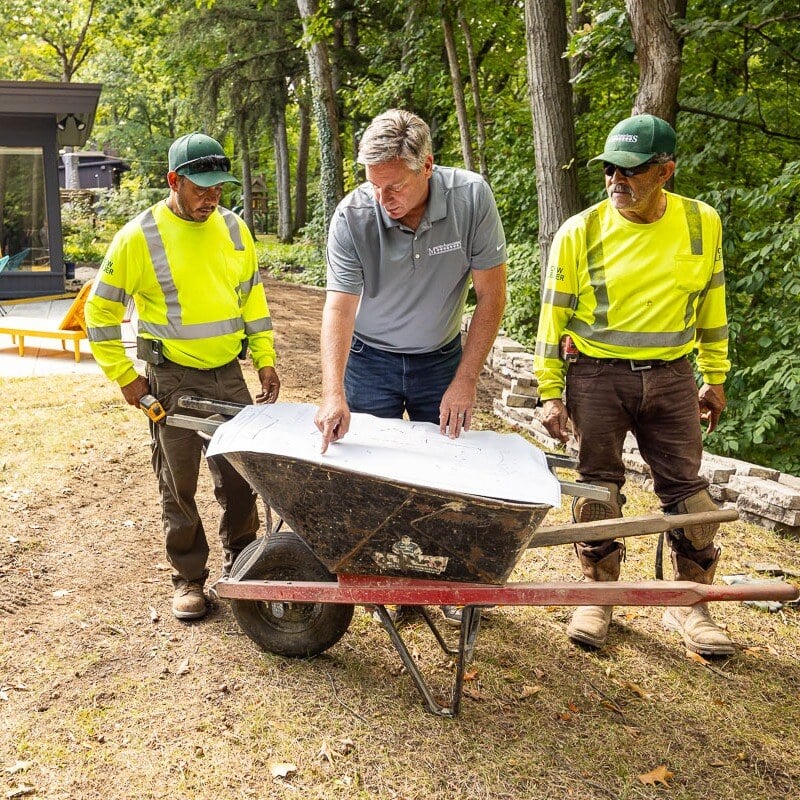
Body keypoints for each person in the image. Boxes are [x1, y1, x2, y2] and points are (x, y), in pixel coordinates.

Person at [534, 113, 733, 656]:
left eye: (630, 171)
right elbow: (552, 318)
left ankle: (692, 602)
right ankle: (598, 595)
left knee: (688, 494)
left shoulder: (702, 222)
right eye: (608, 171)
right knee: (598, 487)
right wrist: (550, 390)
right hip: (597, 376)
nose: (615, 181)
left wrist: (715, 376)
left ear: (665, 170)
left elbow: (712, 303)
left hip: (672, 377)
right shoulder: (581, 230)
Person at [314, 108, 507, 626]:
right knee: (372, 477)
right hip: (369, 358)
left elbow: (491, 296)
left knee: (442, 477)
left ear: (428, 165)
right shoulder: (353, 216)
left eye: (394, 186)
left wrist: (465, 381)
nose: (384, 199)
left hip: (439, 361)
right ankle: (385, 582)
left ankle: (442, 584)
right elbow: (339, 307)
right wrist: (333, 391)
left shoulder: (471, 198)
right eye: (374, 186)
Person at [85, 132, 280, 621]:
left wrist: (265, 358)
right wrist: (127, 378)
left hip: (227, 374)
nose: (211, 198)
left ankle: (243, 562)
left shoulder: (235, 230)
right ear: (174, 180)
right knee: (178, 483)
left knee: (240, 476)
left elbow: (252, 300)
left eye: (219, 188)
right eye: (201, 188)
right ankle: (189, 578)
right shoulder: (138, 237)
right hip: (170, 378)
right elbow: (99, 312)